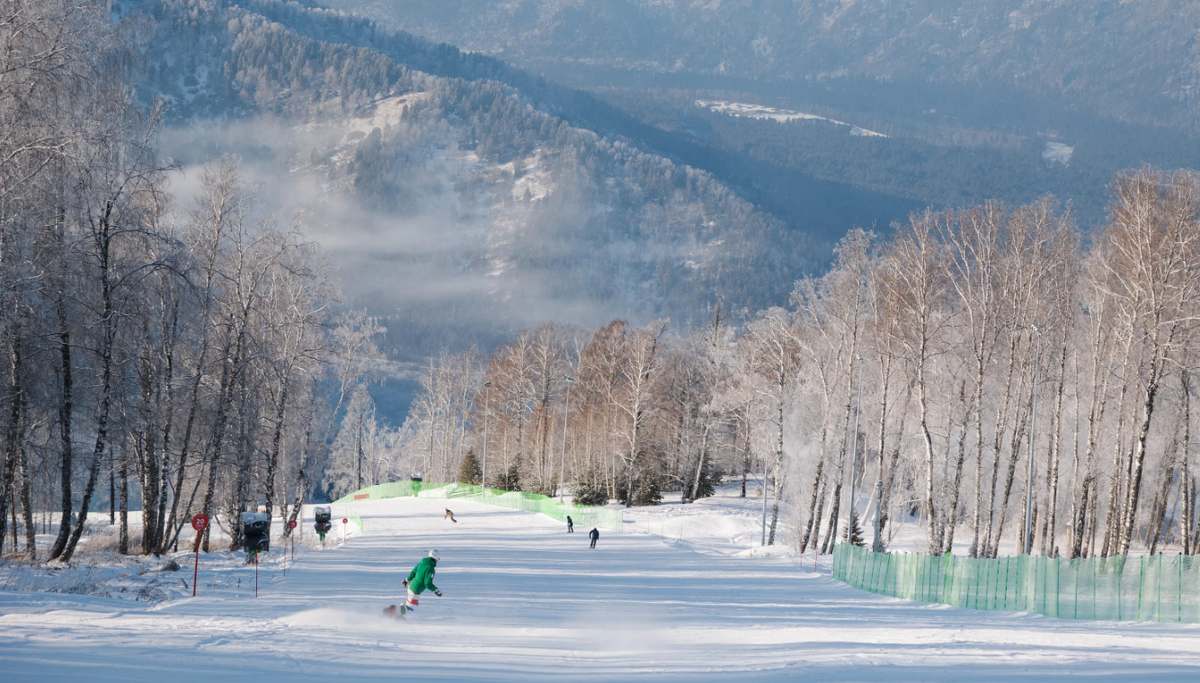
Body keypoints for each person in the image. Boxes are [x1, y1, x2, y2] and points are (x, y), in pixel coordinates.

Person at [388, 549, 442, 618]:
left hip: (411, 587)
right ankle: (390, 611)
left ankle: (397, 615)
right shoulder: (430, 569)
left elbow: (413, 572)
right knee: (408, 608)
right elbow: (428, 584)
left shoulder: (422, 563)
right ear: (436, 558)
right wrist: (436, 591)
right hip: (415, 591)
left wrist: (406, 580)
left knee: (408, 604)